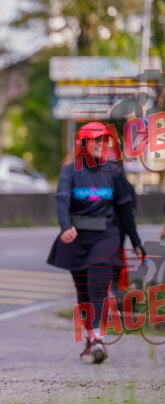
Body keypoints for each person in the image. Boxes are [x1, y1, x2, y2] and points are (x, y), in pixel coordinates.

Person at [47, 121, 145, 364]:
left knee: (97, 287)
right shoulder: (70, 171)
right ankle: (91, 341)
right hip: (77, 237)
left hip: (106, 236)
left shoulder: (114, 172)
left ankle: (98, 339)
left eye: (105, 140)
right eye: (96, 141)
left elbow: (125, 210)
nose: (102, 145)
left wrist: (136, 242)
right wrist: (65, 227)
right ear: (84, 144)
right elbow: (62, 199)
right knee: (83, 292)